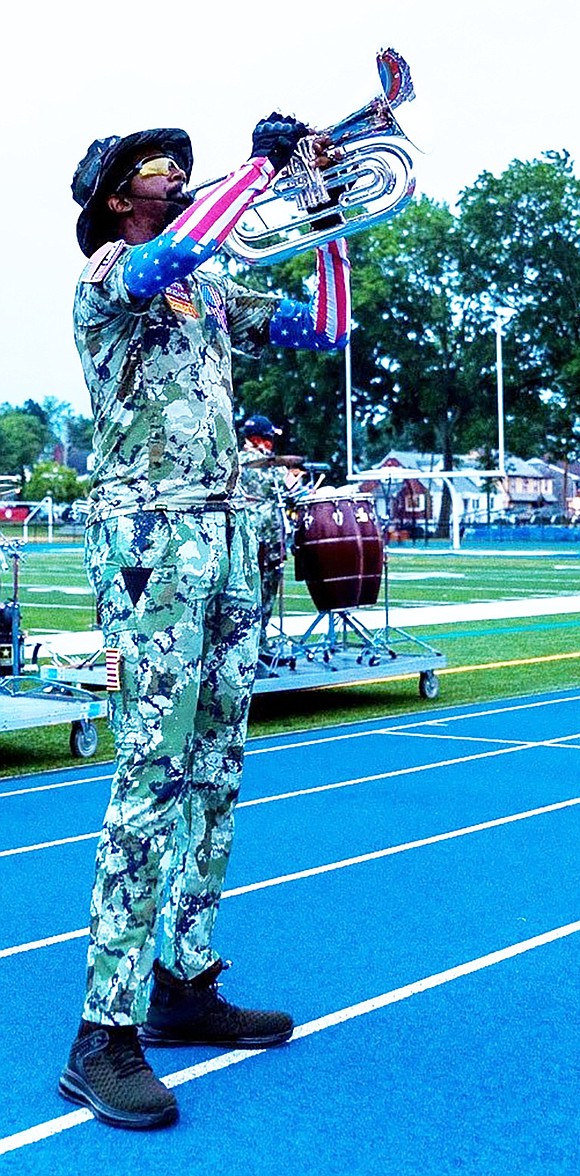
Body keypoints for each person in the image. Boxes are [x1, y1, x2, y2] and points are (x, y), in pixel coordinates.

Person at [60, 116, 351, 1129]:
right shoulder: (111, 273)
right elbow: (185, 242)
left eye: (184, 164)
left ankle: (184, 981)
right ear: (111, 195)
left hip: (230, 539)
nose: (176, 174)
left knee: (218, 768)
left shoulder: (212, 284)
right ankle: (102, 1031)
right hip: (148, 542)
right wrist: (261, 166)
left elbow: (327, 328)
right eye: (154, 167)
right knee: (151, 771)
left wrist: (327, 211)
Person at [238, 414, 304, 653]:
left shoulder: (233, 462)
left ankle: (240, 643)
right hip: (268, 537)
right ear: (261, 439)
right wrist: (297, 477)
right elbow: (293, 492)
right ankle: (261, 641)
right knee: (266, 589)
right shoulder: (271, 469)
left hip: (240, 538)